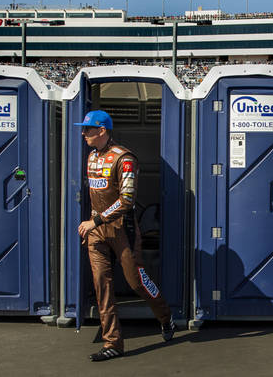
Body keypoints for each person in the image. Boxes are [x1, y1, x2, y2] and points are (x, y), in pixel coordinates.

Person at [76, 110, 175, 362]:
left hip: (123, 229)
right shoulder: (91, 156)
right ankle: (113, 343)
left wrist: (94, 220)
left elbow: (127, 200)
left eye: (88, 129)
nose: (83, 133)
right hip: (97, 231)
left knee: (136, 282)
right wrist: (92, 222)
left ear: (102, 130)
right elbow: (94, 196)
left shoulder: (125, 158)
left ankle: (165, 317)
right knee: (102, 285)